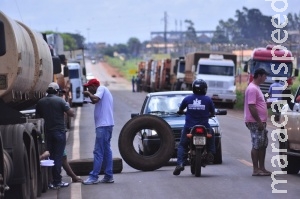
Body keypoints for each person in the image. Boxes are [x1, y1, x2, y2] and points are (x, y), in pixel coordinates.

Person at [36, 82, 75, 189]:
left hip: (48, 133)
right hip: (59, 133)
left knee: (51, 157)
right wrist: (67, 105)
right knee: (58, 157)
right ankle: (57, 181)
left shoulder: (40, 102)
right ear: (57, 91)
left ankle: (51, 181)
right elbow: (71, 113)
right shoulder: (60, 100)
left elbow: (37, 116)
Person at [173, 79, 215, 176]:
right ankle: (211, 153)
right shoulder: (208, 100)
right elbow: (212, 112)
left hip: (189, 127)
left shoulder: (187, 99)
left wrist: (180, 112)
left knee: (182, 145)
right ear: (204, 89)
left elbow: (180, 109)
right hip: (204, 127)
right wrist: (209, 114)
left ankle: (180, 163)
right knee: (211, 134)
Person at [82, 78, 115, 185]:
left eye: (89, 87)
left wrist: (88, 94)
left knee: (98, 151)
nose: (88, 89)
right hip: (107, 125)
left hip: (103, 126)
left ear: (94, 86)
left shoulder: (101, 88)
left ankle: (94, 176)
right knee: (106, 151)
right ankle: (108, 175)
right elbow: (94, 101)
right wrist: (87, 96)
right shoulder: (102, 92)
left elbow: (95, 98)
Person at [244, 68, 271, 176]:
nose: (266, 78)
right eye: (265, 76)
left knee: (263, 144)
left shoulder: (256, 88)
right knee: (257, 144)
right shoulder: (252, 89)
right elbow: (251, 106)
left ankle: (262, 168)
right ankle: (256, 169)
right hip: (255, 121)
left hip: (260, 121)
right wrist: (259, 121)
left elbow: (258, 104)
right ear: (259, 76)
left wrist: (266, 104)